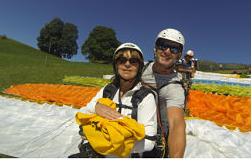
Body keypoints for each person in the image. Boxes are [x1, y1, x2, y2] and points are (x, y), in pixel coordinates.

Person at [78, 43, 157, 157]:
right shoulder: (108, 90)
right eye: (122, 60)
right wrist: (95, 107)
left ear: (139, 67)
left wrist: (101, 138)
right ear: (116, 65)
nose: (127, 64)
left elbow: (149, 141)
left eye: (133, 61)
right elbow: (83, 113)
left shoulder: (145, 97)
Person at [140, 29, 187, 158]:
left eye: (174, 49)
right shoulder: (139, 68)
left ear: (179, 55)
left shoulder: (174, 88)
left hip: (152, 143)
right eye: (163, 45)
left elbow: (176, 124)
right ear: (156, 47)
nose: (167, 51)